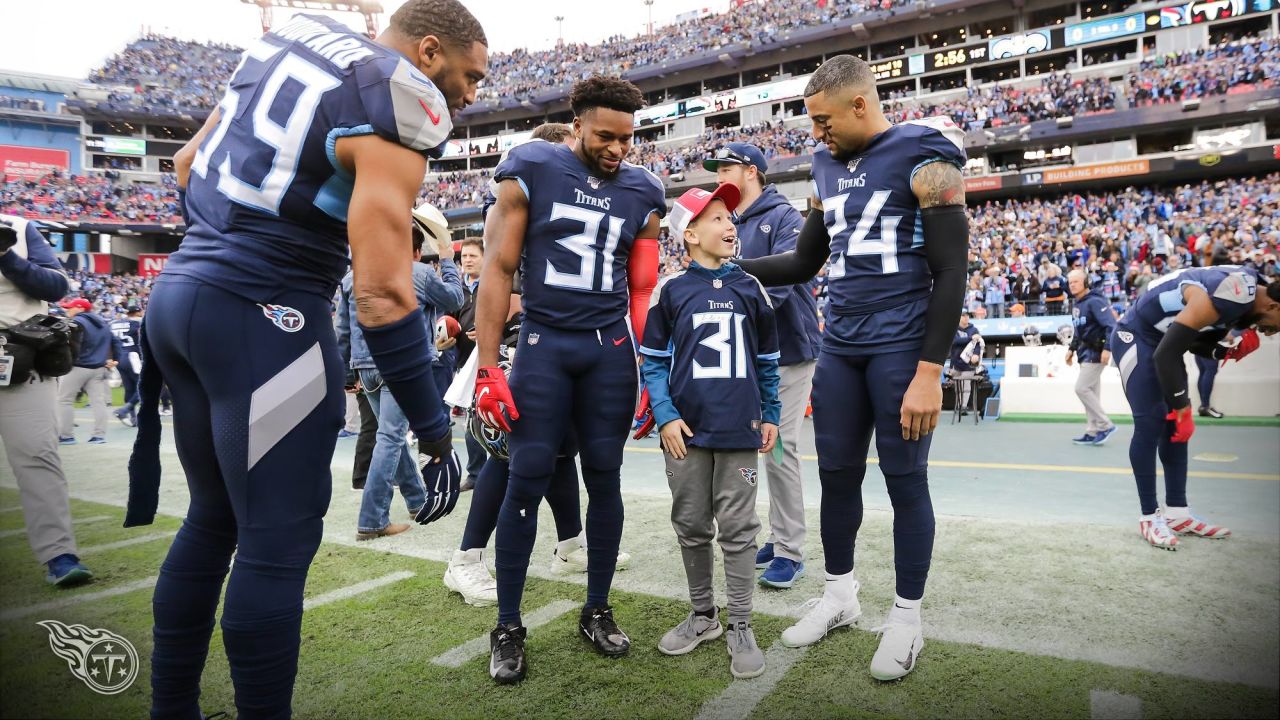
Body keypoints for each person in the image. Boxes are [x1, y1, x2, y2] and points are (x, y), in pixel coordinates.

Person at [123, 4, 487, 717]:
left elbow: (187, 163)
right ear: (430, 49)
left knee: (213, 520)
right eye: (470, 75)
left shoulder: (296, 31)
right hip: (265, 316)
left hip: (179, 295)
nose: (473, 94)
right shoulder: (401, 96)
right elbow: (382, 296)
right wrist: (433, 430)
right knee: (277, 541)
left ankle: (173, 709)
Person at [735, 55, 969, 681]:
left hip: (900, 345)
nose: (817, 134)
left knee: (903, 480)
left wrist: (929, 371)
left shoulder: (927, 154)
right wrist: (730, 274)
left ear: (860, 105)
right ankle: (840, 593)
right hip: (840, 344)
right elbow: (805, 262)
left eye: (823, 120)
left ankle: (907, 617)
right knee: (836, 475)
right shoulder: (823, 166)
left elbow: (951, 272)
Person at [475, 75, 664, 684]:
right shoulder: (533, 164)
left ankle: (597, 607)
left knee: (604, 479)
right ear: (577, 122)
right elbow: (499, 267)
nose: (617, 148)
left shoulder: (644, 189)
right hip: (544, 344)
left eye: (627, 138)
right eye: (605, 135)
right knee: (526, 478)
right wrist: (485, 366)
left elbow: (640, 287)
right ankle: (509, 623)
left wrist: (644, 363)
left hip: (608, 349)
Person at [641, 184, 780, 679]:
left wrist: (771, 413)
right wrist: (665, 414)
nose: (729, 226)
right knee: (691, 525)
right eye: (717, 217)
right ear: (689, 233)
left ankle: (741, 622)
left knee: (740, 532)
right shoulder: (671, 289)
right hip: (685, 432)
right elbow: (653, 364)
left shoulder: (751, 288)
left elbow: (768, 361)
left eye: (731, 218)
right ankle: (704, 616)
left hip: (739, 431)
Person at [705, 141, 820, 590]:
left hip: (789, 349)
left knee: (780, 447)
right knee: (758, 446)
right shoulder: (729, 221)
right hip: (749, 353)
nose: (718, 176)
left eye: (725, 167)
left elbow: (786, 284)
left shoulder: (785, 216)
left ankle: (790, 548)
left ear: (750, 170)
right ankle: (778, 535)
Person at [1111, 265, 1279, 549]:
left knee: (1176, 428)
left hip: (1161, 342)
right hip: (1136, 337)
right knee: (1151, 421)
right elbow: (1168, 353)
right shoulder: (1231, 295)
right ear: (1274, 305)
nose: (1274, 331)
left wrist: (1227, 351)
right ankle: (1149, 516)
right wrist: (1183, 407)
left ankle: (1177, 512)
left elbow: (1195, 342)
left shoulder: (1249, 296)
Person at [336, 201, 463, 541]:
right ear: (417, 251)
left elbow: (343, 330)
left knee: (390, 435)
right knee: (391, 438)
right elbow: (455, 299)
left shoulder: (353, 276)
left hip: (365, 367)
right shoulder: (418, 272)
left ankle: (418, 501)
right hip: (401, 366)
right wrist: (448, 258)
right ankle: (372, 519)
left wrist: (348, 374)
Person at [0, 215, 93, 586]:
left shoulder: (17, 228)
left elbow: (56, 287)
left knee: (37, 455)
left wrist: (6, 255)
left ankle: (59, 554)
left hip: (17, 352)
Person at [56, 297, 120, 445]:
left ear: (80, 308)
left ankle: (66, 436)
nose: (67, 310)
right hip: (98, 368)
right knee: (99, 402)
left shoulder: (76, 322)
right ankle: (99, 436)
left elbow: (72, 345)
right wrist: (116, 359)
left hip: (78, 367)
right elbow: (115, 342)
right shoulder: (103, 323)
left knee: (64, 400)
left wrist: (68, 360)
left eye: (70, 307)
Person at [1066, 268, 1117, 445]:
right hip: (1084, 353)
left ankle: (1105, 425)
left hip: (1096, 353)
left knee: (1081, 388)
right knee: (1092, 392)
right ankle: (1092, 430)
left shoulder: (1095, 302)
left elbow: (1111, 325)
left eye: (1076, 282)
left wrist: (1108, 349)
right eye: (1070, 282)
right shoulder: (1077, 305)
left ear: (1085, 282)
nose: (1072, 285)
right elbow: (1078, 331)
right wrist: (1071, 349)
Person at [110, 303, 143, 427]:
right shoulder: (136, 322)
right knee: (143, 386)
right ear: (137, 312)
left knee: (129, 388)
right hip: (132, 356)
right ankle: (124, 410)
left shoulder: (114, 323)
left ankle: (133, 418)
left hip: (119, 357)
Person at [948, 312, 984, 414]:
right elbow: (955, 341)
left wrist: (976, 354)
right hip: (955, 363)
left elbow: (978, 343)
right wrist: (970, 338)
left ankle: (963, 407)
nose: (965, 318)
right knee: (958, 387)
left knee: (967, 386)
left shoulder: (974, 330)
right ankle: (958, 405)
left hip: (968, 364)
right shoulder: (953, 328)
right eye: (963, 316)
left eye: (967, 316)